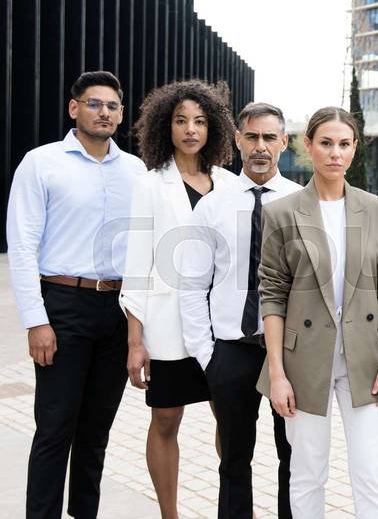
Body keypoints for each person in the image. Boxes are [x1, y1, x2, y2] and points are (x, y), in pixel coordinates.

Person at [7, 71, 146, 519]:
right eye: (93, 103)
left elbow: (145, 247)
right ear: (74, 108)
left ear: (121, 115)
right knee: (54, 429)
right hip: (62, 306)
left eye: (111, 106)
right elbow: (23, 245)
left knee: (96, 432)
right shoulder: (41, 163)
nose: (103, 112)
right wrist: (36, 320)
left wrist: (138, 327)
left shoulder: (135, 170)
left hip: (118, 309)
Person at [255, 106, 378, 518]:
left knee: (371, 471)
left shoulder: (376, 209)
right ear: (308, 146)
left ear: (355, 148)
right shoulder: (280, 212)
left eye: (343, 144)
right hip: (303, 361)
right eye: (326, 143)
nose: (335, 153)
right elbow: (272, 295)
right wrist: (278, 373)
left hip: (368, 360)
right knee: (306, 472)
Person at [120, 80, 237, 519]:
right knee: (166, 421)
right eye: (181, 120)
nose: (191, 130)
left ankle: (234, 505)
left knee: (230, 418)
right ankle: (170, 514)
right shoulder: (150, 185)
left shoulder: (229, 184)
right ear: (165, 126)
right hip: (167, 327)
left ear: (214, 129)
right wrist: (135, 340)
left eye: (200, 121)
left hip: (221, 327)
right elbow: (137, 266)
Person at [180, 102, 302, 518]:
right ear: (237, 141)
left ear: (284, 142)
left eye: (270, 137)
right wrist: (208, 355)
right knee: (233, 460)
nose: (261, 146)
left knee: (295, 459)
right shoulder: (212, 206)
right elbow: (192, 285)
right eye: (252, 137)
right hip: (230, 351)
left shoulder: (303, 204)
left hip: (288, 352)